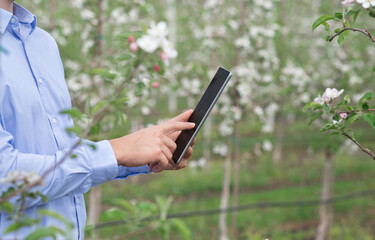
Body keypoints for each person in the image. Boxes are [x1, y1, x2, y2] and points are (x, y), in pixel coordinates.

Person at [0, 0, 195, 238]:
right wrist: (115, 151)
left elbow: (60, 155)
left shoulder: (42, 44)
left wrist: (143, 151)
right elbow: (5, 176)